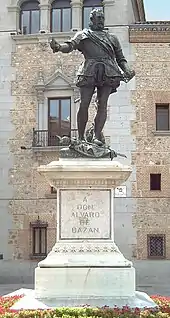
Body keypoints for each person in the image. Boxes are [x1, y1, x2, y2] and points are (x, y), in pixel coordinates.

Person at [50, 8, 135, 146]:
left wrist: (127, 69)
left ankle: (96, 136)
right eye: (98, 18)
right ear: (92, 19)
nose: (101, 21)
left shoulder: (112, 38)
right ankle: (81, 137)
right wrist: (59, 47)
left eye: (102, 18)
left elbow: (120, 58)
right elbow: (70, 46)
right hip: (89, 70)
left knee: (102, 105)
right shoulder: (84, 35)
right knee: (84, 104)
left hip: (109, 72)